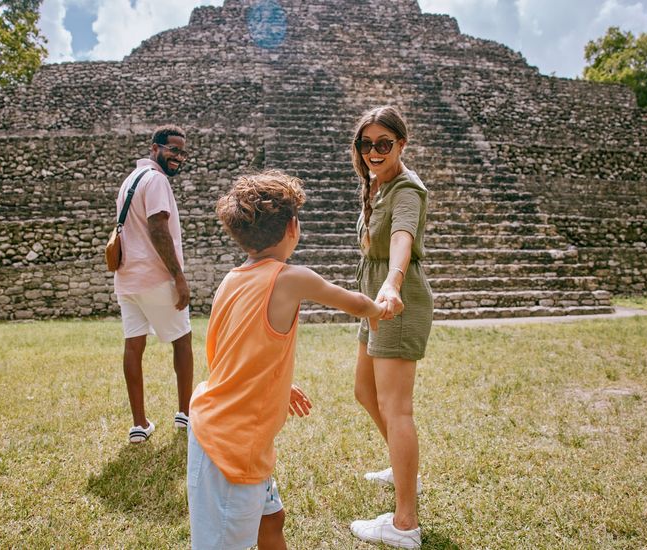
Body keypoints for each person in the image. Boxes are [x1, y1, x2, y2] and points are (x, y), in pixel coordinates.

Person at [187, 170, 385, 550]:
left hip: (229, 428)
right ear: (293, 226)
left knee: (271, 520)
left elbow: (228, 352)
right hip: (229, 447)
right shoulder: (290, 278)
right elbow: (355, 303)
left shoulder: (231, 279)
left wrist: (277, 381)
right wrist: (381, 308)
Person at [349, 106, 433, 549]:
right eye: (367, 144)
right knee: (365, 391)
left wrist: (393, 282)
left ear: (402, 144)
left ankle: (404, 524)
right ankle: (405, 472)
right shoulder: (376, 185)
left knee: (397, 408)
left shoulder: (405, 189)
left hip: (395, 302)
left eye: (384, 144)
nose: (375, 152)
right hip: (374, 303)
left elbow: (403, 237)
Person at [113, 124, 194, 443]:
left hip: (127, 277)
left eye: (183, 152)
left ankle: (139, 424)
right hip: (155, 276)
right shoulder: (157, 180)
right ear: (154, 147)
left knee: (134, 346)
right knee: (183, 340)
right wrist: (178, 276)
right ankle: (186, 414)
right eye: (173, 149)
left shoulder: (130, 180)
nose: (179, 156)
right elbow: (158, 227)